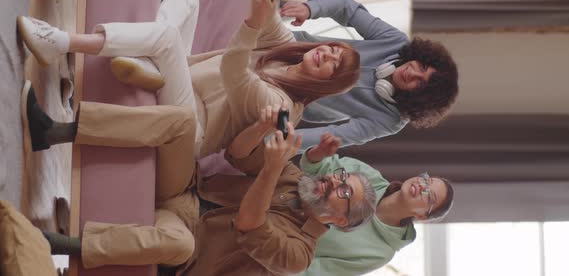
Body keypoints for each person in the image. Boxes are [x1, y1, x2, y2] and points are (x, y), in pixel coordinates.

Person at [24, 93, 377, 275]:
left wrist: (271, 168)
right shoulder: (296, 179)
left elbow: (249, 224)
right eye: (342, 176)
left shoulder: (299, 256)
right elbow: (237, 155)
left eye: (344, 192)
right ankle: (55, 131)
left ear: (340, 221)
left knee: (177, 244)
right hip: (187, 189)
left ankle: (61, 244)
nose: (333, 180)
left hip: (185, 243)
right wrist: (262, 127)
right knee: (182, 121)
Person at [17, 0, 360, 160]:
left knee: (166, 36)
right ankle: (142, 60)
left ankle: (61, 42)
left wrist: (252, 26)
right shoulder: (286, 51)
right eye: (330, 49)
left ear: (327, 85)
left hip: (193, 123)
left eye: (333, 65)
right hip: (187, 77)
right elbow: (269, 16)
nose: (325, 55)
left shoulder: (285, 106)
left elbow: (234, 73)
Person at [280, 0, 459, 152]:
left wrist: (277, 140)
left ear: (418, 98)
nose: (412, 73)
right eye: (422, 67)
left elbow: (329, 136)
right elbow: (345, 7)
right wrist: (310, 8)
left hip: (284, 95)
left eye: (419, 83)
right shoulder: (396, 42)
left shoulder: (390, 120)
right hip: (287, 46)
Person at [296, 133, 455, 276]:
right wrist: (319, 153)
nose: (422, 186)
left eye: (430, 195)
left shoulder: (380, 253)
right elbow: (313, 166)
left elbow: (312, 273)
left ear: (421, 216)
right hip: (278, 200)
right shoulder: (367, 175)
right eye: (427, 180)